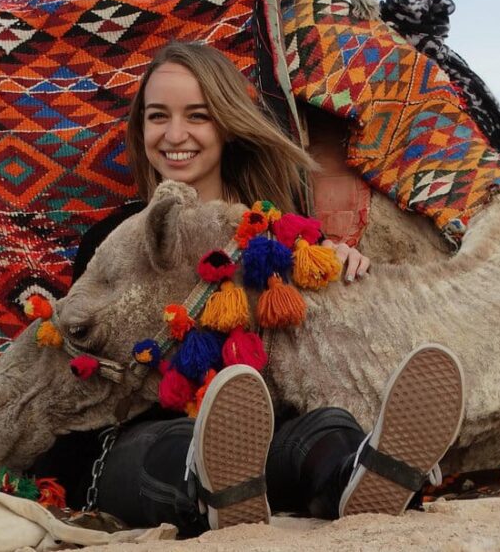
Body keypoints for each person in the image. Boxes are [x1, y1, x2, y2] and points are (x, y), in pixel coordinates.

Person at [32, 41, 464, 535]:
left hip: (258, 441)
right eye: (157, 117)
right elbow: (79, 365)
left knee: (325, 428)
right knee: (177, 448)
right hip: (135, 443)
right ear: (141, 128)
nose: (175, 135)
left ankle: (360, 475)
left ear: (226, 125)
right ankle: (211, 489)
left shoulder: (277, 237)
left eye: (197, 115)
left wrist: (336, 268)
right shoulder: (117, 239)